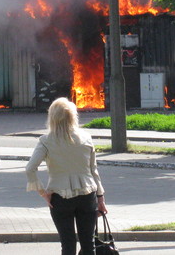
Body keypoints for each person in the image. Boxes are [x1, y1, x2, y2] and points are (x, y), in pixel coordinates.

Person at [26, 97, 108, 255]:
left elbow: (30, 169)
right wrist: (100, 197)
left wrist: (43, 193)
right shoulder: (86, 137)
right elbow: (93, 170)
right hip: (87, 194)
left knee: (68, 244)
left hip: (59, 197)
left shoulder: (46, 141)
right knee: (88, 244)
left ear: (52, 117)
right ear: (73, 116)